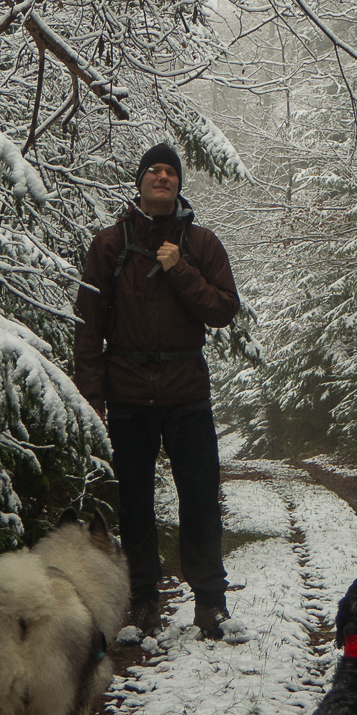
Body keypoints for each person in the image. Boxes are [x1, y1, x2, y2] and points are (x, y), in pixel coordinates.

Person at [73, 143, 240, 639]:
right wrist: (92, 395)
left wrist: (179, 269)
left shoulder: (201, 245)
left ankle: (210, 602)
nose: (162, 177)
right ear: (140, 182)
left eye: (170, 171)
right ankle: (144, 601)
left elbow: (223, 309)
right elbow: (88, 325)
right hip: (126, 393)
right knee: (136, 505)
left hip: (186, 391)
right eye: (154, 171)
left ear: (179, 184)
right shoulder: (109, 244)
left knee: (200, 500)